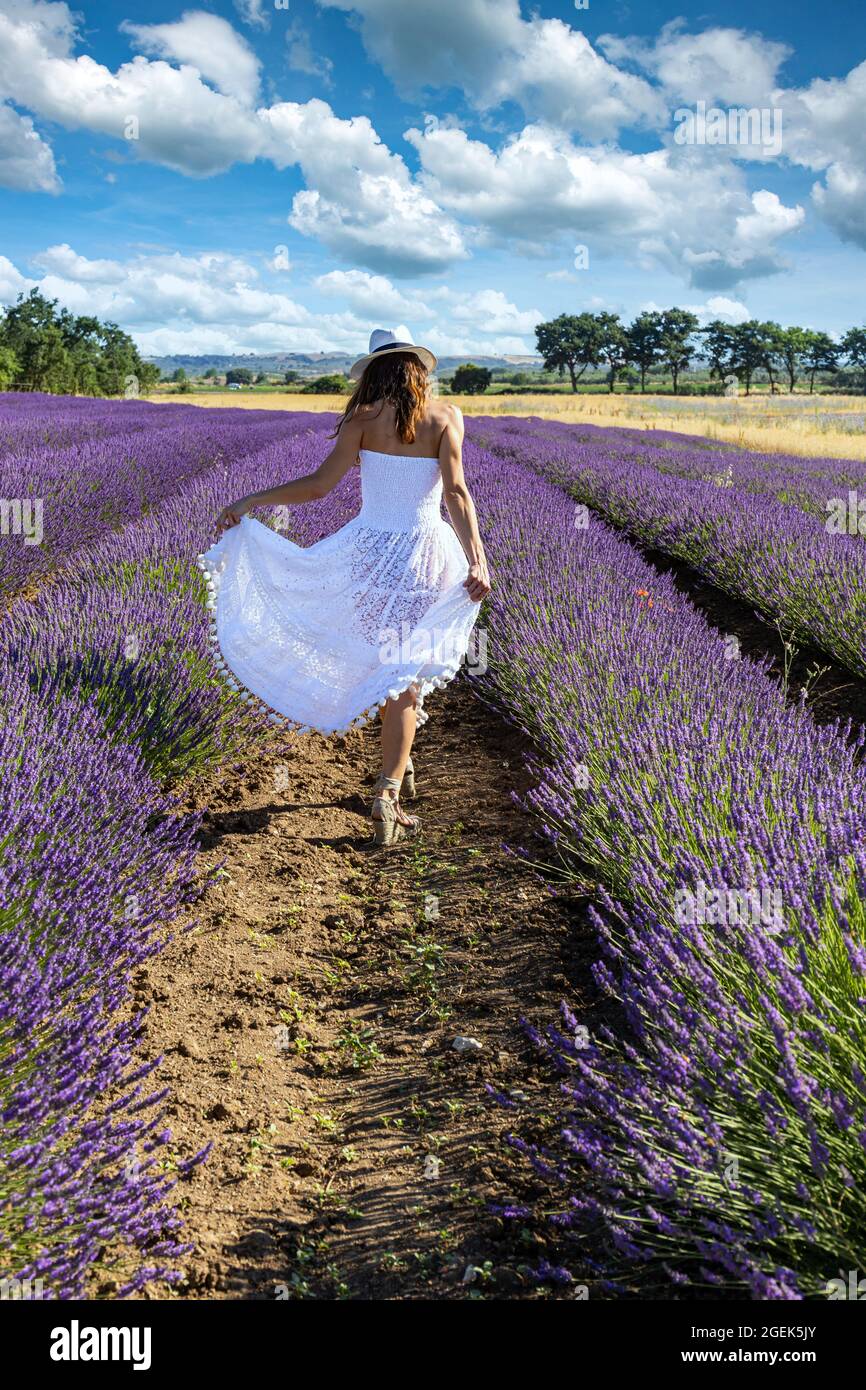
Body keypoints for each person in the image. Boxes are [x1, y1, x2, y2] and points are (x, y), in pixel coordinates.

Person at [203, 328, 491, 845]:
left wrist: (252, 500)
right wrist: (478, 560)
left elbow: (318, 486)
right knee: (405, 676)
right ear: (418, 370)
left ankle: (393, 772)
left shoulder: (362, 420)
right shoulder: (447, 417)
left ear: (375, 371)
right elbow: (456, 492)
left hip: (368, 554)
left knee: (389, 669)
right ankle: (388, 790)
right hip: (426, 555)